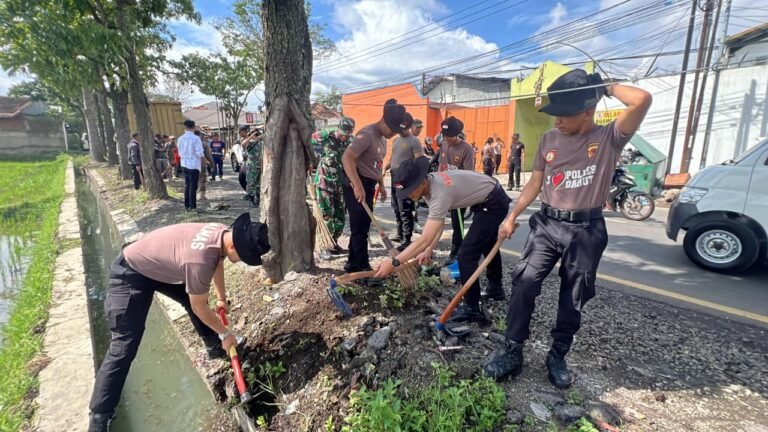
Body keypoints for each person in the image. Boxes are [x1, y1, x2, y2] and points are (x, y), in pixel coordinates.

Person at [482, 69, 652, 388]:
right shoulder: (549, 139)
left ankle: (557, 354)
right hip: (547, 224)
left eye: (563, 114)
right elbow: (535, 181)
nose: (556, 120)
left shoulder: (609, 137)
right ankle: (513, 350)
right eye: (554, 114)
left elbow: (642, 99)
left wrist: (605, 86)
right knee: (524, 281)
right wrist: (511, 215)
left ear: (587, 112)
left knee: (574, 293)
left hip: (586, 228)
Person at [87, 213, 271, 432]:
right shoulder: (200, 259)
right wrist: (225, 333)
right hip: (130, 272)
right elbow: (199, 306)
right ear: (234, 247)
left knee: (192, 293)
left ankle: (214, 347)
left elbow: (217, 263)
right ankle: (100, 416)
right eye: (244, 257)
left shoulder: (221, 233)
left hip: (157, 264)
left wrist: (221, 297)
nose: (242, 261)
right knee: (124, 344)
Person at [373, 157, 510, 313]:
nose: (408, 196)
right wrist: (428, 250)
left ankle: (472, 308)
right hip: (485, 199)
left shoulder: (440, 193)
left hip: (494, 203)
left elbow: (424, 239)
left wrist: (394, 263)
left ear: (422, 182)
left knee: (466, 254)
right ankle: (496, 290)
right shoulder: (429, 185)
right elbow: (436, 225)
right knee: (487, 243)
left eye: (409, 191)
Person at [341, 98, 407, 273]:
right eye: (392, 129)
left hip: (369, 183)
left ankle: (352, 262)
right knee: (359, 228)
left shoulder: (383, 138)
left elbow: (375, 163)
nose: (393, 134)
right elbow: (347, 157)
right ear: (384, 121)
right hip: (356, 182)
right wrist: (357, 185)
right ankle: (361, 267)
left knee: (363, 226)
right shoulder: (367, 134)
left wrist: (381, 185)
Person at [313, 117, 356, 259]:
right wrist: (310, 161)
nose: (344, 137)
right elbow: (308, 142)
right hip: (325, 182)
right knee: (327, 214)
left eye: (347, 135)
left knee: (340, 216)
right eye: (343, 134)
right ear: (338, 128)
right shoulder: (326, 136)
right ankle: (324, 246)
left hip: (340, 183)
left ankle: (333, 242)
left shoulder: (350, 142)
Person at [436, 116, 475, 261]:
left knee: (457, 222)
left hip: (460, 191)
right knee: (438, 218)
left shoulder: (467, 149)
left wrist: (457, 189)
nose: (447, 138)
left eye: (450, 135)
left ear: (458, 133)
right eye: (445, 135)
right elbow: (442, 165)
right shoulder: (444, 145)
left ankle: (457, 250)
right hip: (446, 188)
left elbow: (469, 174)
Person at [384, 115, 423, 251]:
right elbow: (392, 158)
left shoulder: (414, 141)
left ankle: (407, 238)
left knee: (405, 207)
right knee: (395, 205)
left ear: (410, 127)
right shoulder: (396, 140)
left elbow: (419, 161)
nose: (402, 131)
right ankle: (399, 233)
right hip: (395, 176)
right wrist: (384, 168)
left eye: (405, 129)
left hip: (405, 179)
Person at [178, 119, 204, 211]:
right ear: (194, 127)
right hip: (193, 164)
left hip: (184, 163)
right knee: (193, 186)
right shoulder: (196, 138)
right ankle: (193, 207)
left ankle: (187, 205)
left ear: (185, 127)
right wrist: (204, 162)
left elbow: (179, 152)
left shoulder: (180, 138)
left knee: (187, 185)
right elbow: (199, 153)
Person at [243, 126, 263, 207]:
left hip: (260, 166)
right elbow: (243, 144)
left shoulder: (262, 144)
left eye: (256, 134)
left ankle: (257, 201)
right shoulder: (250, 143)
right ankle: (251, 200)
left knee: (258, 185)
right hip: (252, 167)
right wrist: (250, 137)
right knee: (251, 184)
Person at [197, 132, 214, 202]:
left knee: (191, 181)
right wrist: (212, 165)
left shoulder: (187, 142)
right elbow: (208, 155)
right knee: (202, 180)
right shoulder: (204, 144)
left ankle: (191, 196)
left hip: (188, 165)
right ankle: (202, 196)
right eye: (203, 136)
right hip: (201, 164)